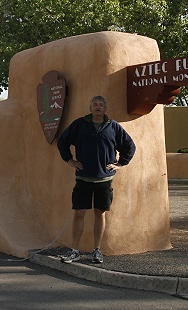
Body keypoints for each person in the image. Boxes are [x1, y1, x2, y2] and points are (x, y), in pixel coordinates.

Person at [57, 95, 136, 263]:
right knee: (79, 213)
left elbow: (130, 145)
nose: (98, 107)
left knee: (100, 214)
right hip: (83, 178)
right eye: (95, 104)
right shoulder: (80, 124)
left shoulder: (113, 126)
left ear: (105, 109)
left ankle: (96, 250)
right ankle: (75, 251)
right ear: (90, 108)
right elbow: (63, 141)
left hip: (104, 180)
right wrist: (69, 160)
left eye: (101, 105)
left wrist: (121, 163)